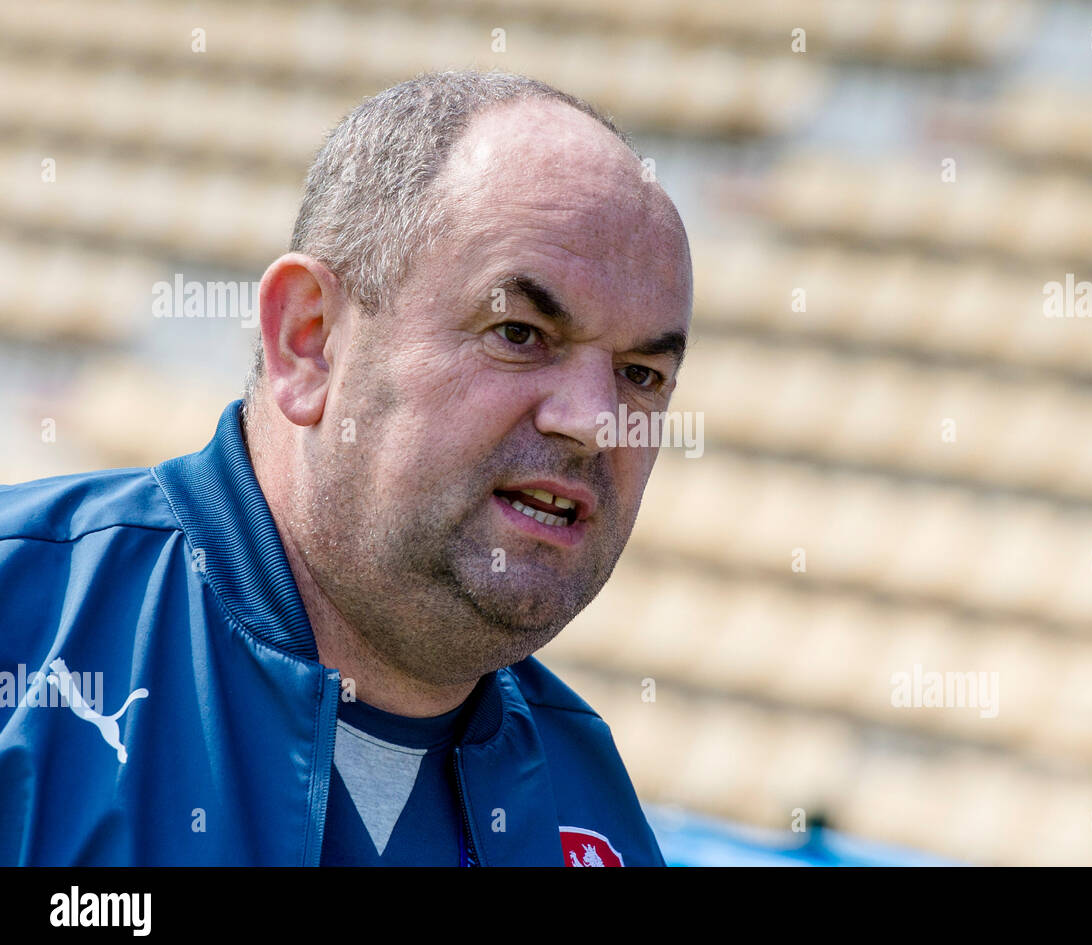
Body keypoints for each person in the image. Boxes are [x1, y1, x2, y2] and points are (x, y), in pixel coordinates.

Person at [0, 70, 693, 866]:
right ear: (310, 340)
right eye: (519, 331)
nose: (592, 420)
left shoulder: (597, 816)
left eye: (641, 375)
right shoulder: (23, 629)